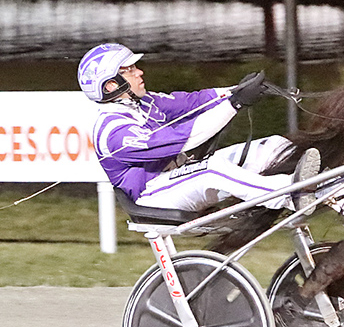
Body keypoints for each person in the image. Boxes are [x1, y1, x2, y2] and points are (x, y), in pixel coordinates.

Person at [77, 42, 324, 214]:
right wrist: (236, 103)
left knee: (274, 145)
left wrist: (236, 89)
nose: (140, 72)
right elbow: (187, 139)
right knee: (213, 169)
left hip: (178, 178)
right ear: (111, 86)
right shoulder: (112, 130)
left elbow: (195, 101)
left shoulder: (147, 101)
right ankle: (288, 194)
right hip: (152, 197)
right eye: (129, 70)